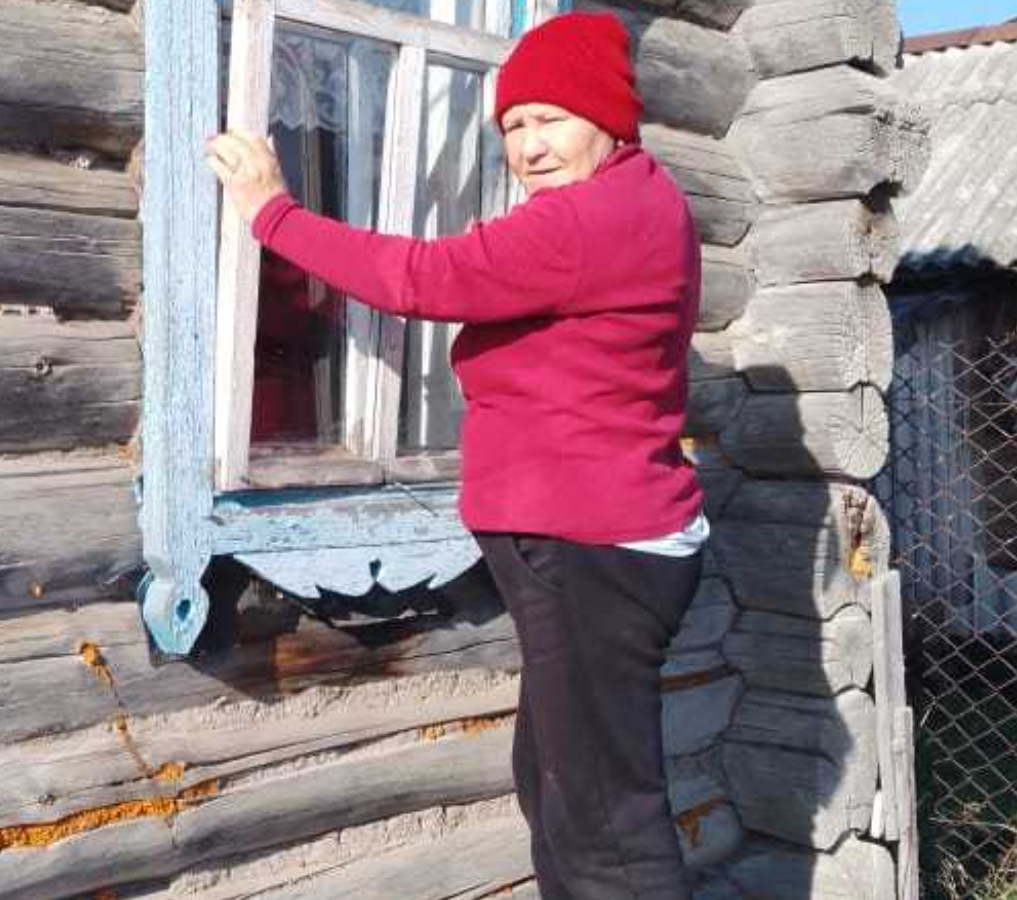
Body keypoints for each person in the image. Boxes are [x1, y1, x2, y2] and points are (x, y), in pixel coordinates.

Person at [207, 11, 708, 900]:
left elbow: (419, 277)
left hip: (592, 547)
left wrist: (273, 214)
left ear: (607, 118)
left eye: (551, 119)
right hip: (601, 538)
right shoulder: (639, 197)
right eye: (512, 126)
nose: (529, 146)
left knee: (606, 831)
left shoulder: (586, 220)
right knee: (561, 793)